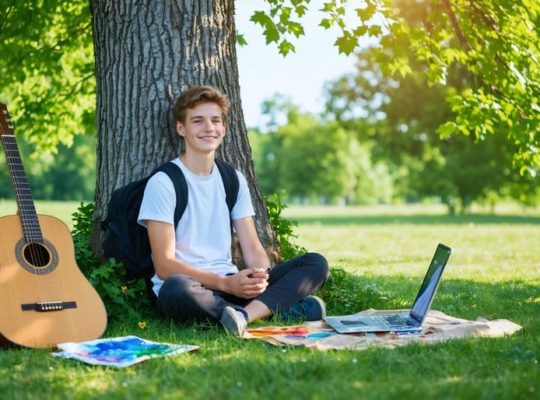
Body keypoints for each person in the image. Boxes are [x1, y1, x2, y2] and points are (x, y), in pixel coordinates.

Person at [138, 85, 329, 336]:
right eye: (198, 121)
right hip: (193, 287)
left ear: (224, 129)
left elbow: (252, 248)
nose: (209, 128)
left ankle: (243, 315)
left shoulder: (232, 178)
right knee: (176, 289)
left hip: (232, 284)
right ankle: (271, 308)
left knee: (316, 263)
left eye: (215, 120)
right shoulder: (164, 182)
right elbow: (164, 265)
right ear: (181, 129)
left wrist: (258, 276)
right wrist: (225, 283)